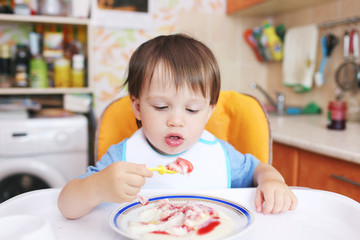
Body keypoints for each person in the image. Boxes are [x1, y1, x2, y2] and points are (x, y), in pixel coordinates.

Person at [58, 34, 297, 219]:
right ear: (138, 107)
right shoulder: (123, 157)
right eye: (161, 107)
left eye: (192, 110)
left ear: (208, 111)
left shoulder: (220, 155)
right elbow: (66, 206)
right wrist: (98, 187)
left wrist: (272, 181)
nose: (176, 120)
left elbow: (259, 170)